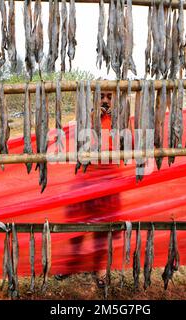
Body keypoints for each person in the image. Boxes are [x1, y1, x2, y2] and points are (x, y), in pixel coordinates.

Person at [58, 91, 124, 288]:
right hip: (85, 178)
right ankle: (72, 263)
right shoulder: (86, 117)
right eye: (101, 96)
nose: (105, 100)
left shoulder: (120, 119)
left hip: (110, 179)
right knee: (77, 222)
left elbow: (125, 144)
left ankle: (101, 269)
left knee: (104, 226)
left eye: (109, 96)